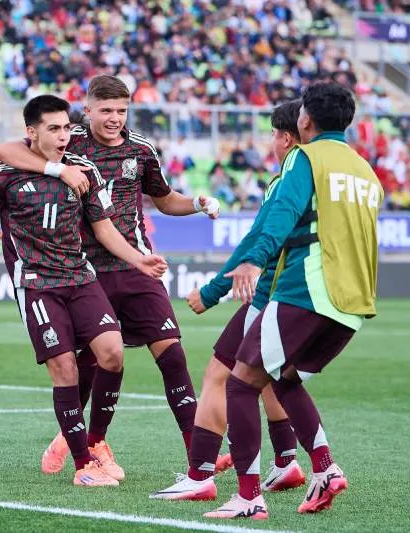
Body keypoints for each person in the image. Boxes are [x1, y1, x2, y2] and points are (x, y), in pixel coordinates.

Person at [0, 95, 168, 487]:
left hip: (81, 278)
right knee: (65, 367)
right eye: (53, 128)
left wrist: (139, 260)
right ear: (32, 133)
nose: (63, 135)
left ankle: (96, 442)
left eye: (67, 127)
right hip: (37, 285)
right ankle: (83, 466)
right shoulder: (4, 176)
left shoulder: (84, 171)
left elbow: (104, 229)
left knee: (113, 353)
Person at [0, 75, 221, 474]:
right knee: (92, 362)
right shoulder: (69, 140)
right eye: (106, 111)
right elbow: (7, 152)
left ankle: (198, 455)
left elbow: (165, 200)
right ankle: (78, 438)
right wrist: (53, 175)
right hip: (84, 269)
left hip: (134, 262)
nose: (115, 118)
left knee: (172, 354)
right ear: (88, 110)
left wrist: (197, 204)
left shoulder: (141, 150)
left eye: (122, 111)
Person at [204, 82, 383, 520]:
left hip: (308, 289)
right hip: (354, 301)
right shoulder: (365, 170)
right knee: (284, 380)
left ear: (305, 119)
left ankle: (248, 498)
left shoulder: (306, 157)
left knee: (240, 384)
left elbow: (282, 214)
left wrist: (254, 261)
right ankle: (324, 469)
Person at [150, 101, 305, 502]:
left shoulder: (288, 181)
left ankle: (200, 474)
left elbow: (257, 241)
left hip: (271, 294)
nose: (272, 142)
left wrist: (212, 291)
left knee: (219, 377)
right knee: (268, 377)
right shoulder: (322, 176)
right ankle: (287, 461)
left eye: (274, 134)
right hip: (298, 296)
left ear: (287, 138)